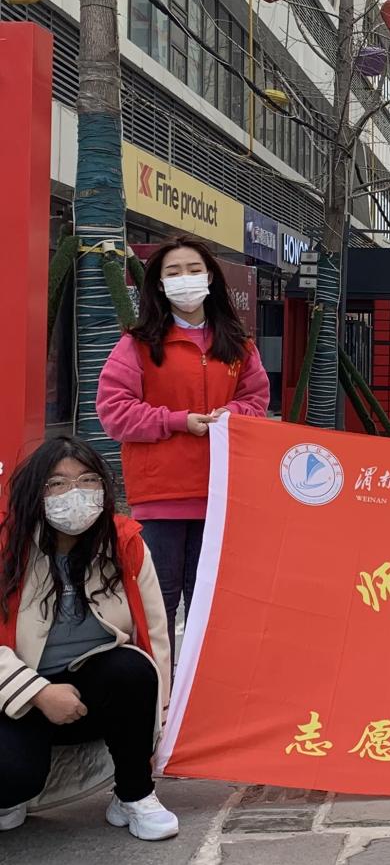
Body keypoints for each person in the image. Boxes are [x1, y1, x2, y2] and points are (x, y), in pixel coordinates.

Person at [97, 237, 270, 664]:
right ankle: (160, 690)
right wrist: (178, 421)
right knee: (158, 603)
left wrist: (232, 414)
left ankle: (199, 691)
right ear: (158, 284)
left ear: (210, 277)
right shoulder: (138, 344)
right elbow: (114, 412)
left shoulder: (238, 345)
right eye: (173, 272)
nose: (185, 279)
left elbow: (256, 400)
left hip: (220, 495)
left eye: (194, 270)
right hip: (160, 498)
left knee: (209, 603)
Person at [0, 437, 177, 840]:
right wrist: (39, 693)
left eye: (87, 480)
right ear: (34, 491)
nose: (74, 493)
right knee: (12, 776)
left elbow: (155, 636)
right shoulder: (6, 547)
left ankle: (134, 794)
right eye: (57, 483)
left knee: (133, 669)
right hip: (16, 698)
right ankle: (13, 795)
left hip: (91, 694)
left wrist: (158, 728)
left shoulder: (124, 543)